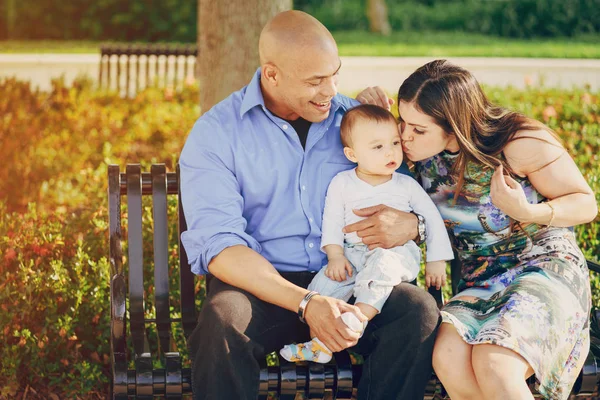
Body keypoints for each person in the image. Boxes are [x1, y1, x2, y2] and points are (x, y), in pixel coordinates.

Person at [179, 10, 441, 400]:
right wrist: (307, 303)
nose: (331, 90)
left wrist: (415, 225)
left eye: (334, 74)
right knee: (223, 321)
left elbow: (420, 189)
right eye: (315, 81)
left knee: (416, 310)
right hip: (263, 289)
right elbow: (220, 248)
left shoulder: (355, 123)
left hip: (350, 280)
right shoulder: (217, 134)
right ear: (271, 75)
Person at [357, 59, 597, 400]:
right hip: (480, 276)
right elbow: (361, 148)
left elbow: (585, 203)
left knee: (496, 362)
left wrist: (526, 210)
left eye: (418, 129)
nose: (404, 136)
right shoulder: (416, 154)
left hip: (542, 265)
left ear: (454, 127)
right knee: (448, 358)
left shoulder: (517, 142)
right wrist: (365, 108)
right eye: (402, 121)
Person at [279, 104, 454, 364]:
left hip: (395, 253)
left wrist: (436, 260)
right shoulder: (342, 182)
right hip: (352, 254)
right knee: (323, 287)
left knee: (382, 270)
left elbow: (431, 219)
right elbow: (333, 220)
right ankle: (321, 344)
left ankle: (358, 318)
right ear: (352, 154)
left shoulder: (406, 185)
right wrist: (336, 255)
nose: (391, 151)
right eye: (377, 147)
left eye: (395, 142)